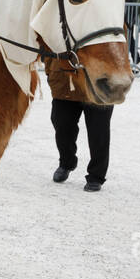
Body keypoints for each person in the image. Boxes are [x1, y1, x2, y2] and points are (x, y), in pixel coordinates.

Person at [47, 57, 113, 192]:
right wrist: (50, 70)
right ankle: (67, 162)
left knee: (98, 131)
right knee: (61, 123)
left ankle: (96, 175)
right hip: (64, 80)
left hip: (98, 81)